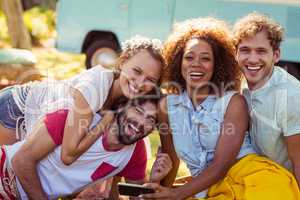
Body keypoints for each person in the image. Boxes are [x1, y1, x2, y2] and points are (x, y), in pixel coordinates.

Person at [141, 17, 300, 200]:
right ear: (178, 61)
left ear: (216, 64)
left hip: (255, 181)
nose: (196, 64)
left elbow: (221, 165)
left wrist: (176, 194)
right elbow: (171, 160)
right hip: (212, 188)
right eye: (189, 57)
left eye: (206, 58)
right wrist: (161, 192)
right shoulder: (167, 106)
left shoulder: (236, 102)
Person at [0, 35, 165, 164]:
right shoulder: (95, 86)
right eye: (136, 71)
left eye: (150, 79)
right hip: (16, 109)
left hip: (34, 115)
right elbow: (69, 154)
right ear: (122, 62)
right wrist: (104, 122)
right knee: (8, 174)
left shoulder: (130, 99)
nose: (140, 83)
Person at [1, 97, 171, 200]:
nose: (141, 123)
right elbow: (20, 160)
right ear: (122, 107)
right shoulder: (75, 120)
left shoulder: (135, 151)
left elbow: (135, 197)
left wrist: (154, 181)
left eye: (150, 120)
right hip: (4, 173)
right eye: (138, 110)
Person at [233, 12, 300, 188]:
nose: (252, 59)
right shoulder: (238, 85)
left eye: (261, 51)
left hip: (284, 187)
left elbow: (299, 161)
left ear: (276, 55)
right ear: (236, 54)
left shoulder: (291, 97)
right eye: (245, 50)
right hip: (250, 180)